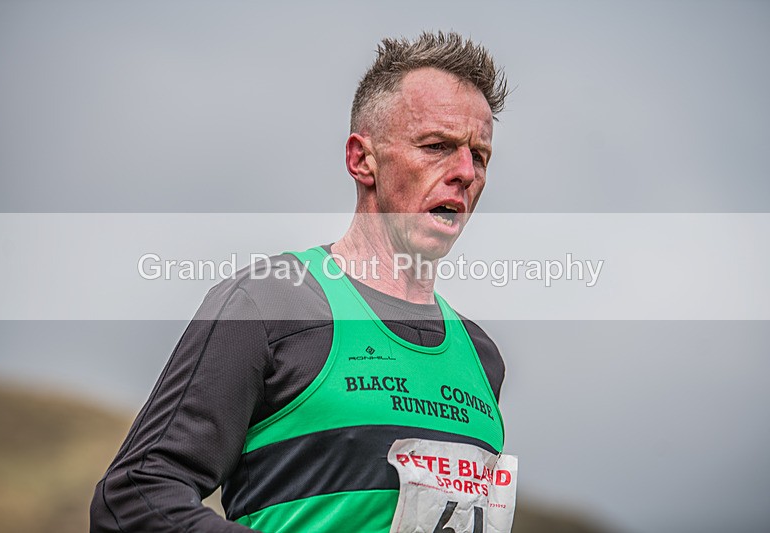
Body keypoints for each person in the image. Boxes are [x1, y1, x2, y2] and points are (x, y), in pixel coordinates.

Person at [90, 31, 509, 532]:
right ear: (361, 160)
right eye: (437, 146)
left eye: (479, 155)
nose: (465, 171)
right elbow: (134, 497)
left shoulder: (483, 359)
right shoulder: (271, 304)